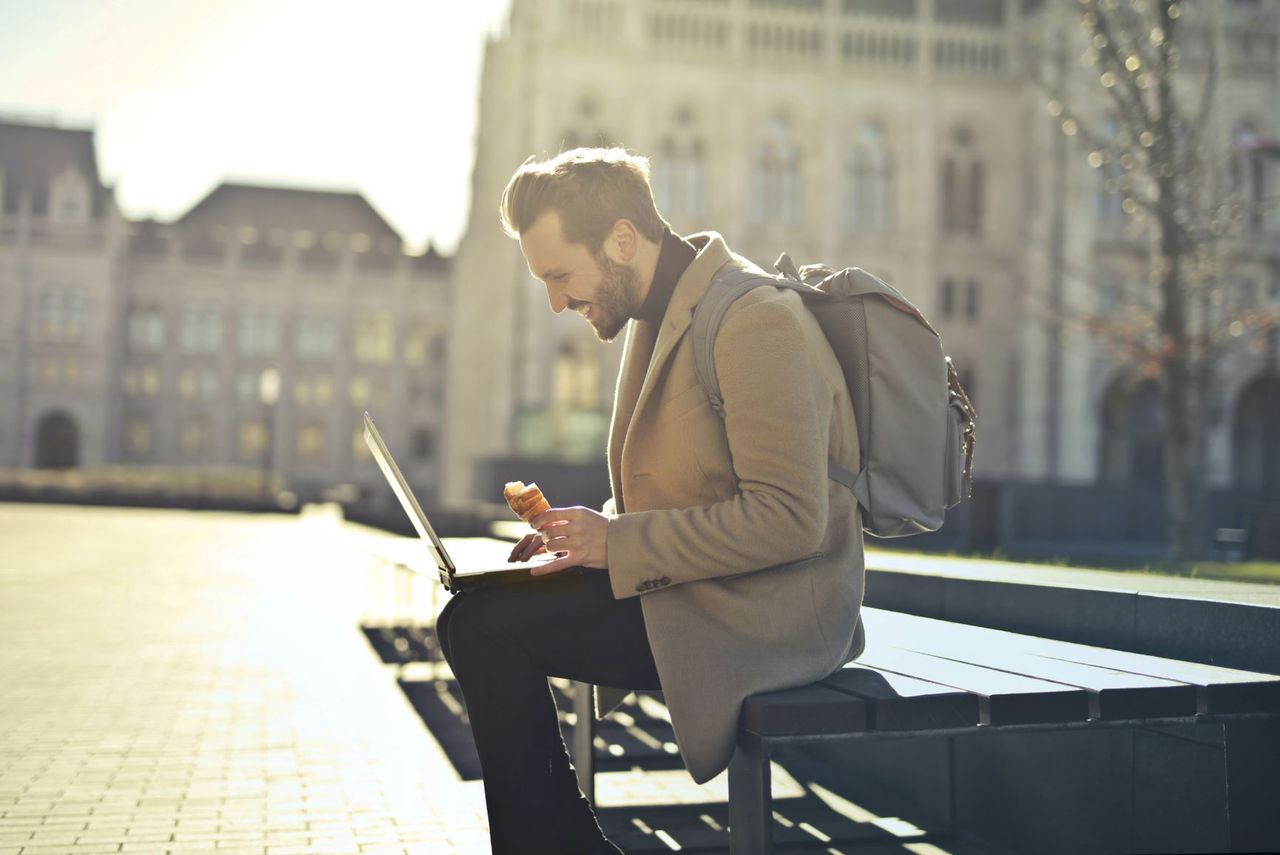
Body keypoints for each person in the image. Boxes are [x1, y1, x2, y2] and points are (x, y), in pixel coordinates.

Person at [435, 147, 866, 854]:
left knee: (484, 627)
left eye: (559, 274)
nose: (556, 300)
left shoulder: (755, 318)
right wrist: (585, 533)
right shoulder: (661, 317)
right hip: (707, 591)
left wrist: (617, 544)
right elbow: (691, 486)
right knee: (472, 617)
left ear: (622, 241)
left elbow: (791, 517)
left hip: (773, 614)